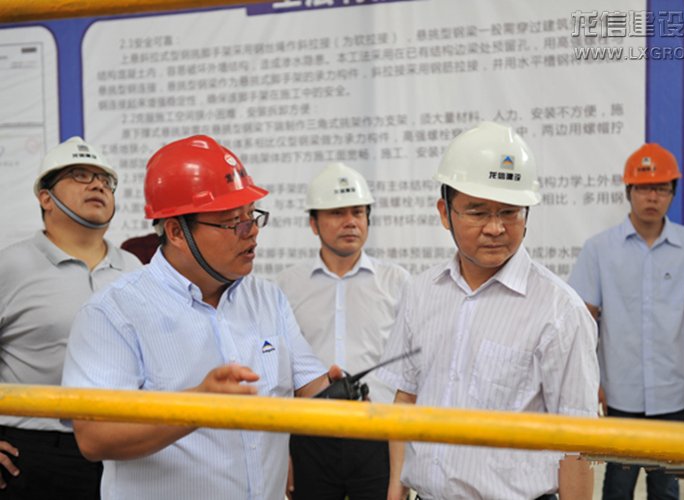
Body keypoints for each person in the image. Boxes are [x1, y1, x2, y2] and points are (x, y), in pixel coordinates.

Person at [61, 135, 341, 500]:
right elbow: (94, 437)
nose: (252, 231)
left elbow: (310, 389)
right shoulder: (112, 313)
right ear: (177, 232)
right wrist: (199, 406)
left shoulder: (268, 298)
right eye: (233, 221)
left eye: (252, 216)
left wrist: (339, 394)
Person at [378, 121, 599, 500]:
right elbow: (406, 401)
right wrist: (395, 494)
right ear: (445, 213)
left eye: (510, 212)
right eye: (477, 212)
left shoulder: (560, 312)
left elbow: (577, 441)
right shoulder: (420, 294)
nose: (495, 228)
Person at [568, 143, 684, 500]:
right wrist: (590, 381)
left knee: (666, 485)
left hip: (672, 391)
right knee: (618, 485)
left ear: (672, 194)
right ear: (629, 192)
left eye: (661, 188)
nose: (652, 197)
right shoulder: (599, 249)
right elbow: (583, 319)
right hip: (619, 391)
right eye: (643, 188)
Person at [0, 136, 141, 499]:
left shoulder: (135, 270)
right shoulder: (10, 266)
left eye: (105, 180)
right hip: (34, 454)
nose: (97, 185)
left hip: (125, 450)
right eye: (80, 175)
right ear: (45, 197)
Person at [276, 162, 410, 500]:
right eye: (337, 213)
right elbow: (280, 373)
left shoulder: (397, 283)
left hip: (377, 436)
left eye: (358, 212)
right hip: (309, 437)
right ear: (313, 223)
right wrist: (283, 451)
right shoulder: (287, 286)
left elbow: (410, 377)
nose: (350, 221)